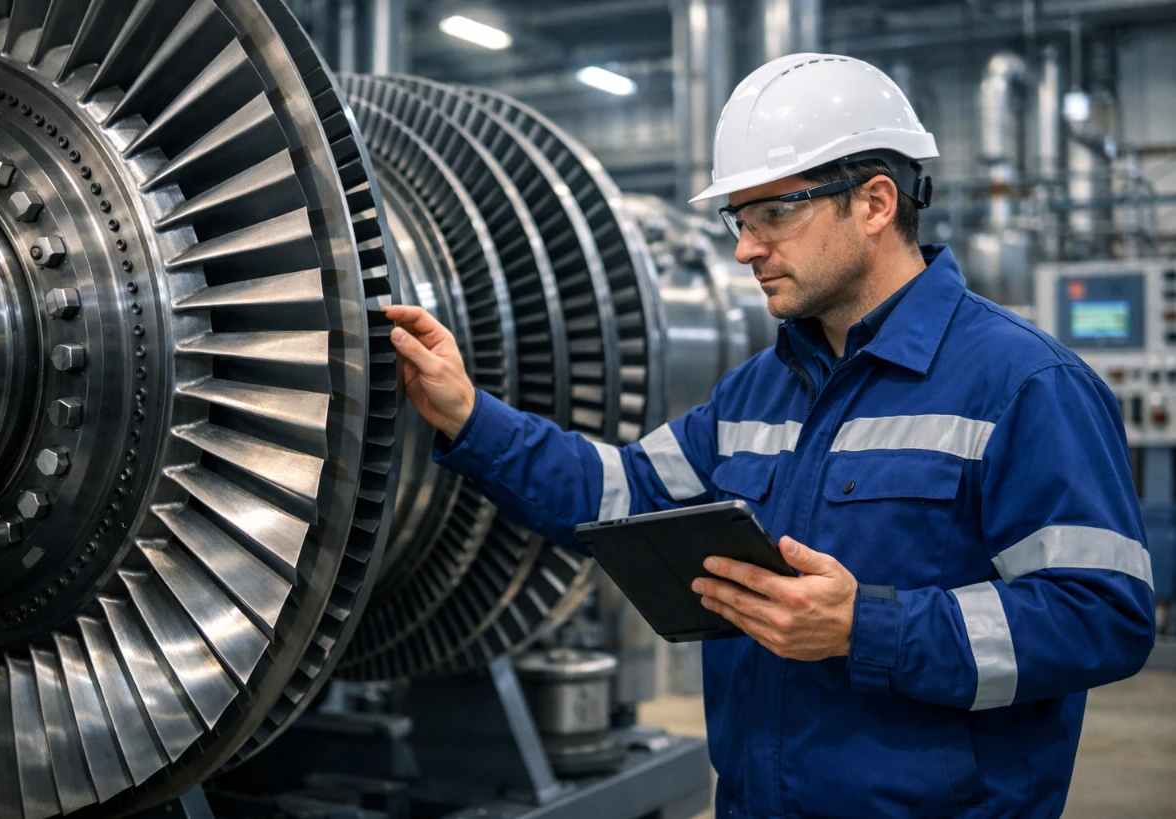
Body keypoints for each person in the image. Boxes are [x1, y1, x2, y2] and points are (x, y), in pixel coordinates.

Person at [382, 53, 1156, 818]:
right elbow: (615, 494)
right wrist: (467, 413)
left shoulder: (1026, 386)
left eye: (775, 214)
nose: (746, 247)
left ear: (876, 202)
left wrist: (866, 626)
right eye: (740, 219)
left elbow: (1101, 617)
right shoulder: (756, 391)